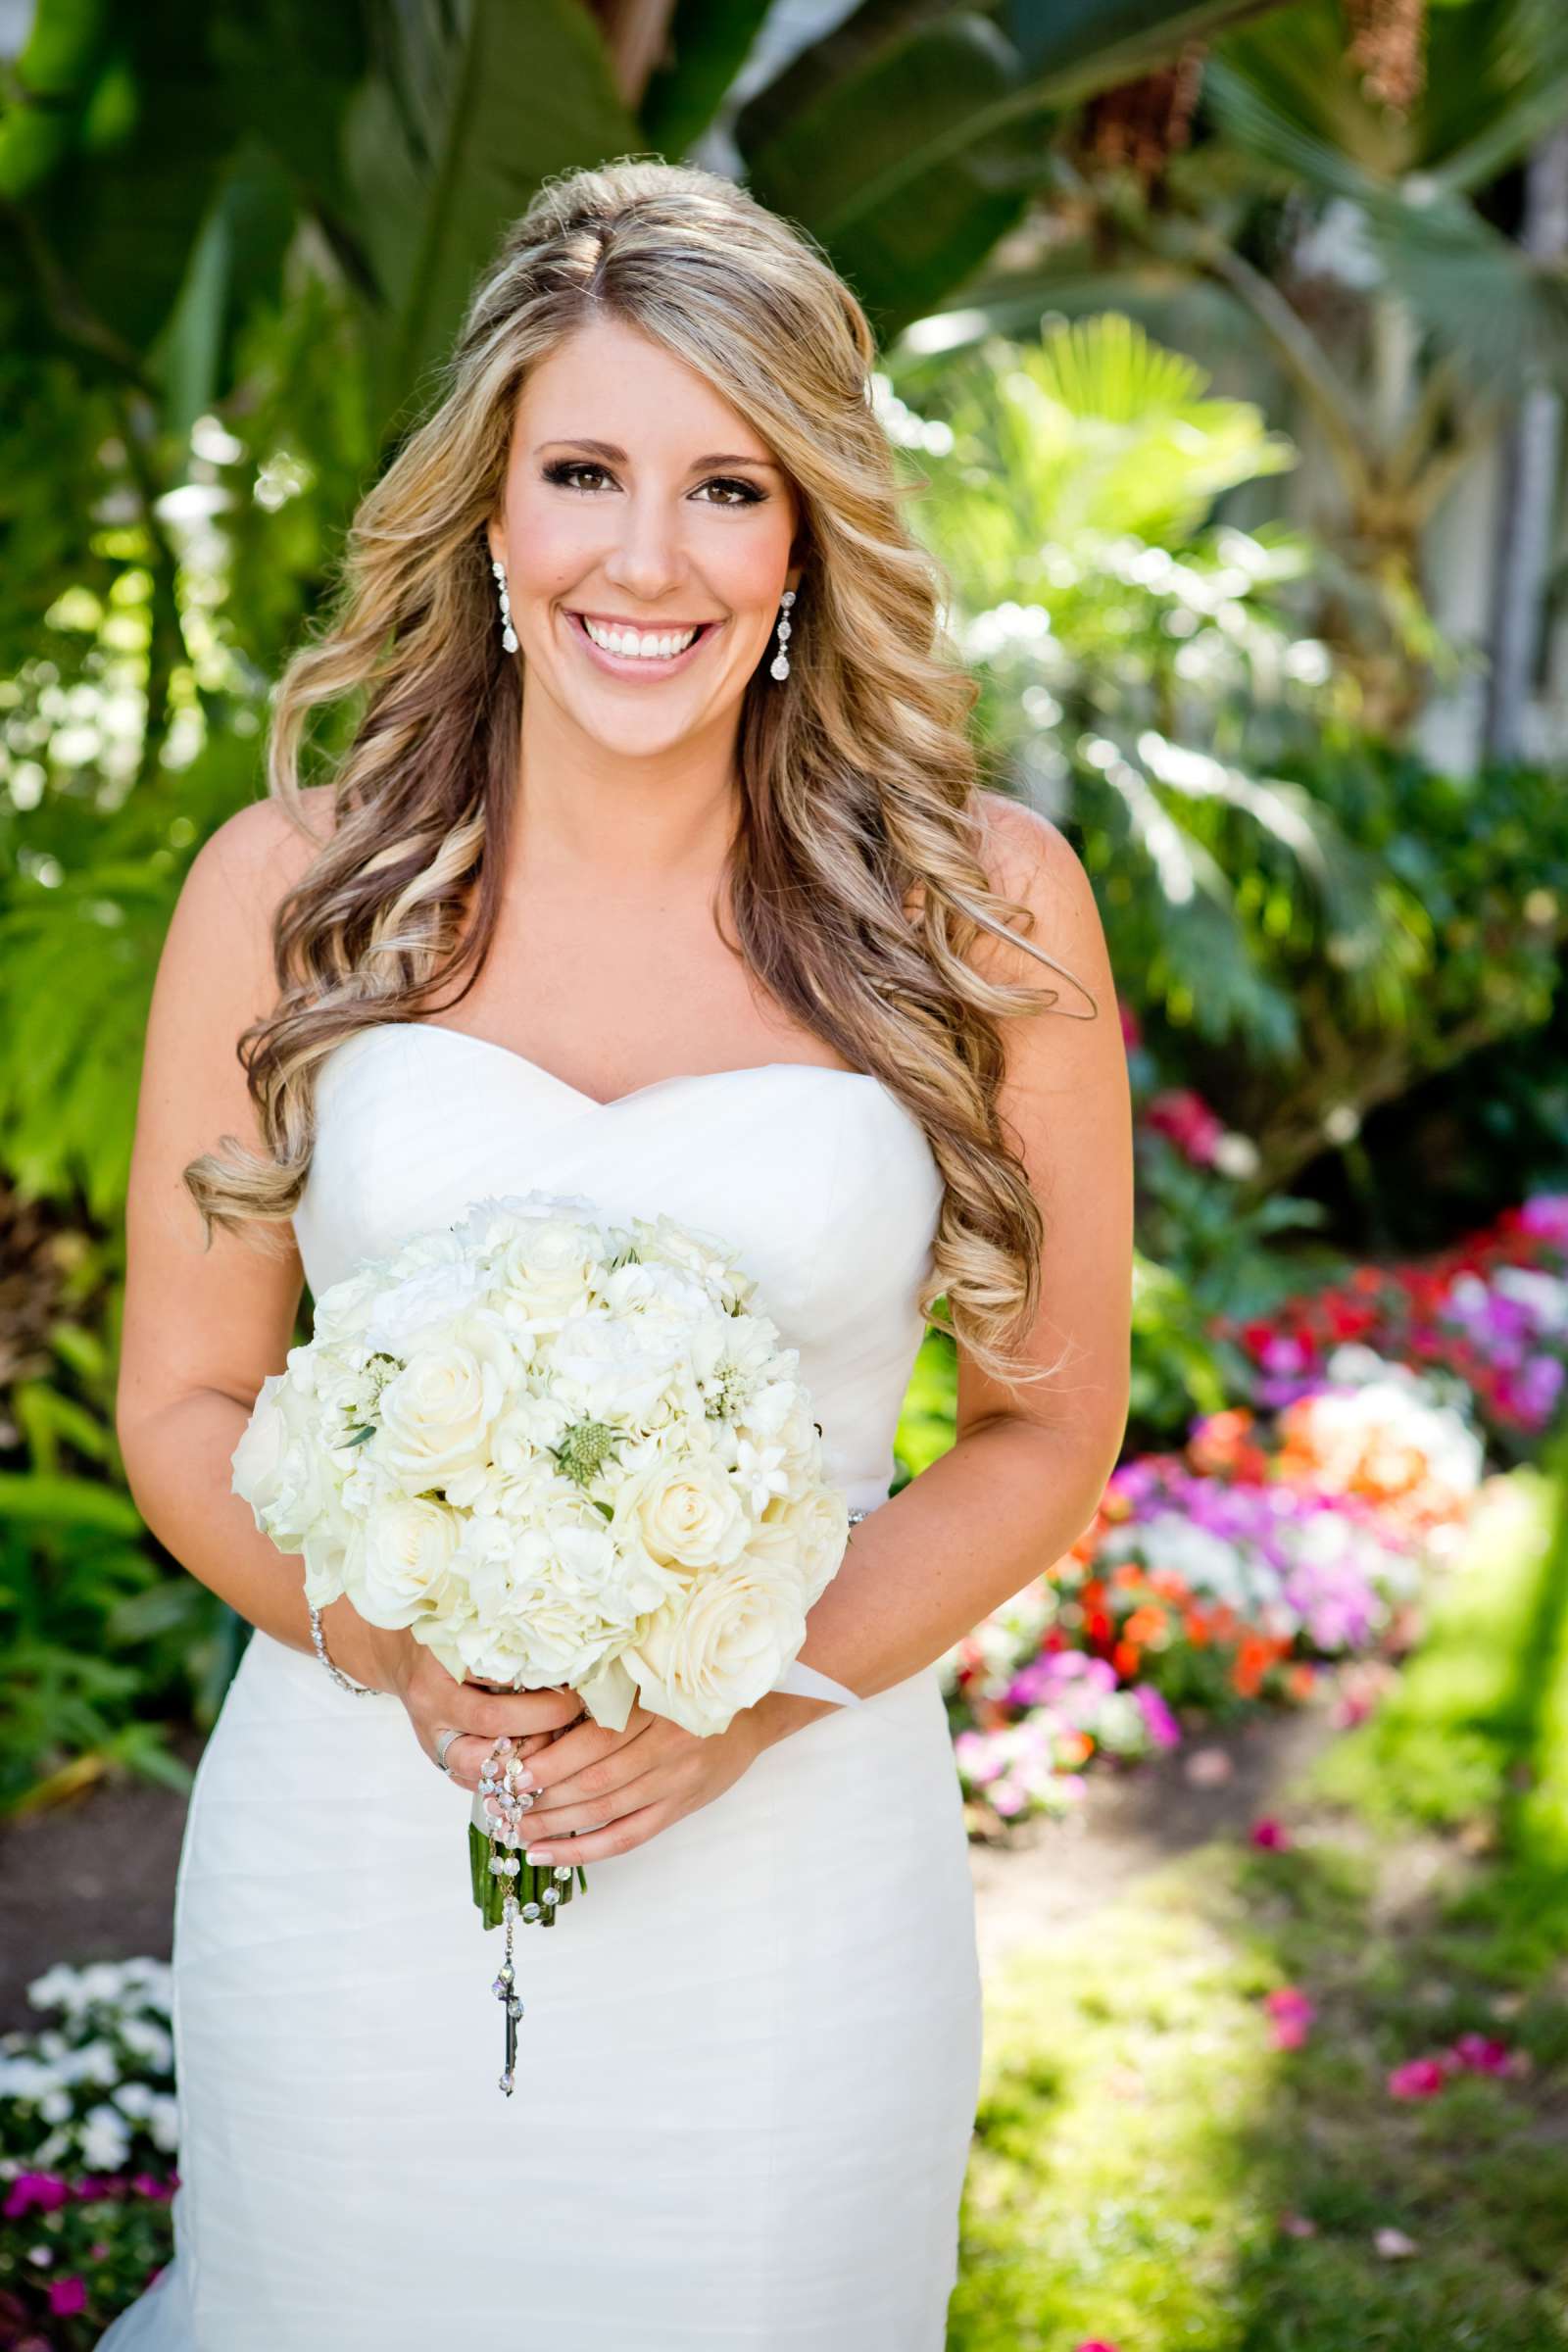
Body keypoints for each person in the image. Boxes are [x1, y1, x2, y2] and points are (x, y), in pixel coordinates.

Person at [99, 157, 1132, 2350]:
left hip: (789, 1875)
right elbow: (185, 1402)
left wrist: (740, 1697)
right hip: (355, 1850)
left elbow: (1045, 1429)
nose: (643, 561)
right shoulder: (289, 889)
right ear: (491, 508)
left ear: (806, 535)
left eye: (725, 488)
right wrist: (385, 1643)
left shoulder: (984, 906)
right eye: (583, 471)